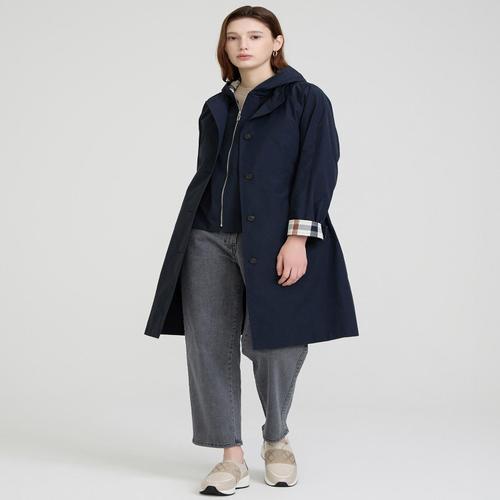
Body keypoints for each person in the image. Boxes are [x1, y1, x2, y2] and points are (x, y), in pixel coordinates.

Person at [144, 5, 360, 495]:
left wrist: (298, 237)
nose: (243, 45)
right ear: (224, 46)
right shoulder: (216, 105)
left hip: (275, 238)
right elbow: (210, 171)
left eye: (256, 36)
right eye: (234, 37)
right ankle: (231, 456)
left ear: (276, 43)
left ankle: (277, 439)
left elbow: (319, 167)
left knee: (277, 343)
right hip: (206, 237)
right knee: (209, 346)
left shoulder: (306, 99)